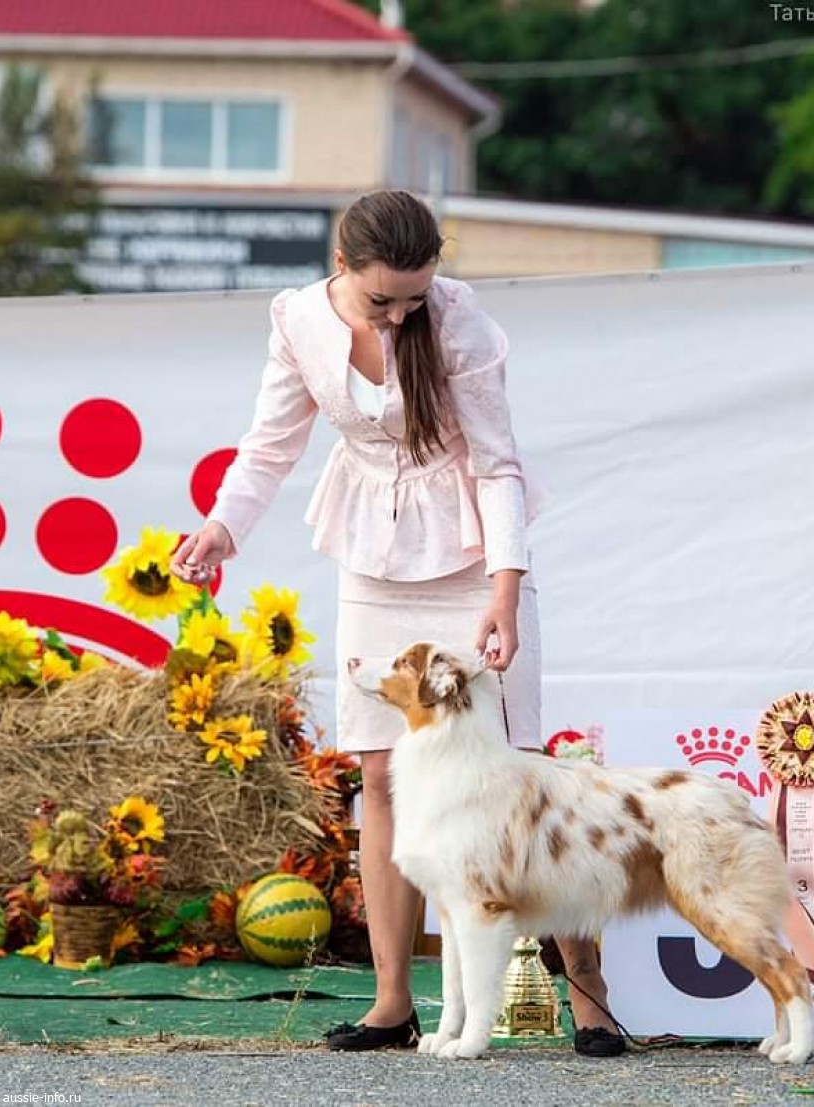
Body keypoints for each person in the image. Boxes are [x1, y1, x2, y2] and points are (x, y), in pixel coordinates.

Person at [170, 189, 624, 1057]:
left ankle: (588, 993)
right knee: (381, 775)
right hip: (373, 558)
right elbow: (270, 444)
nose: (401, 315)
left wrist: (504, 590)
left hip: (473, 555)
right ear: (341, 264)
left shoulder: (460, 325)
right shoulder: (298, 320)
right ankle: (392, 1003)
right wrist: (224, 525)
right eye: (384, 299)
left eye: (415, 297)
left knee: (518, 773)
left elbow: (498, 465)